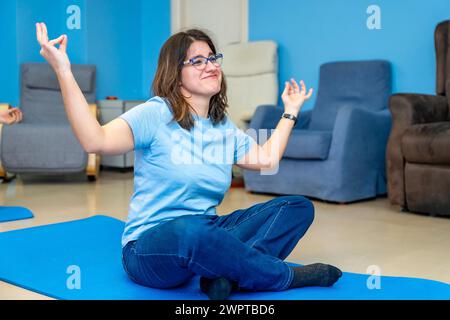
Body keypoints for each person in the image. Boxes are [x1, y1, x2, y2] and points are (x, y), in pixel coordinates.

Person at [36, 22, 342, 300]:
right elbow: (95, 141)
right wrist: (64, 70)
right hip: (149, 249)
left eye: (212, 58)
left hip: (206, 231)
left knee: (296, 207)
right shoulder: (156, 114)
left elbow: (267, 158)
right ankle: (281, 277)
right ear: (175, 73)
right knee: (190, 231)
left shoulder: (223, 127)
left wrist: (290, 111)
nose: (210, 66)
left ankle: (227, 277)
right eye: (197, 61)